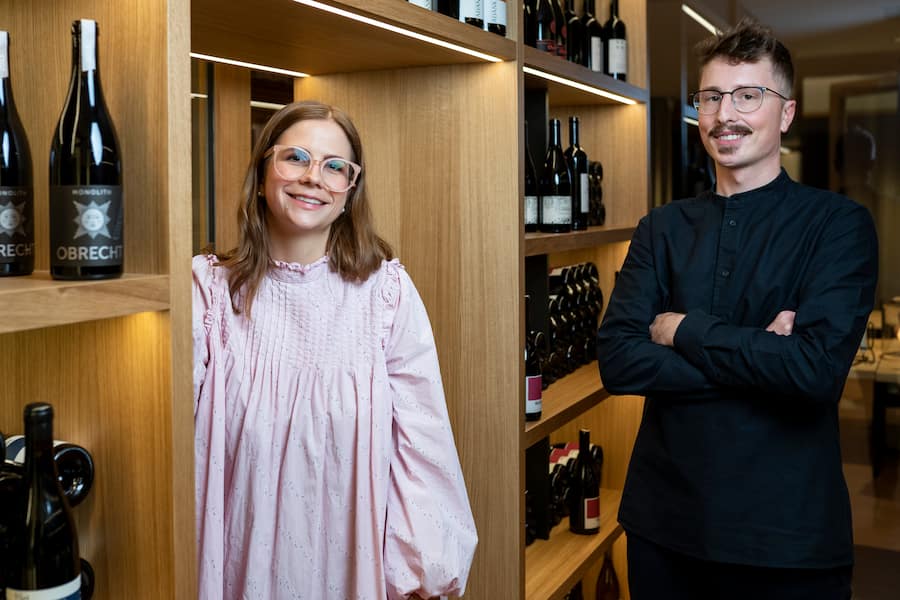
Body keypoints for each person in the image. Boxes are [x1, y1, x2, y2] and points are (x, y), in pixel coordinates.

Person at [596, 18, 878, 600]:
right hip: (665, 532)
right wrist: (762, 353)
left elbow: (813, 373)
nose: (726, 114)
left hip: (788, 542)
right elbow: (620, 361)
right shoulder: (662, 227)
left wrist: (684, 329)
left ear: (787, 112)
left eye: (749, 95)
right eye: (711, 97)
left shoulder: (837, 225)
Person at [192, 100, 477, 599]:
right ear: (262, 174)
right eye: (295, 158)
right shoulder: (209, 291)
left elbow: (423, 448)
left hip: (349, 570)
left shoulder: (387, 295)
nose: (313, 178)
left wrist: (421, 574)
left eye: (334, 167)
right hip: (232, 569)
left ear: (349, 192)